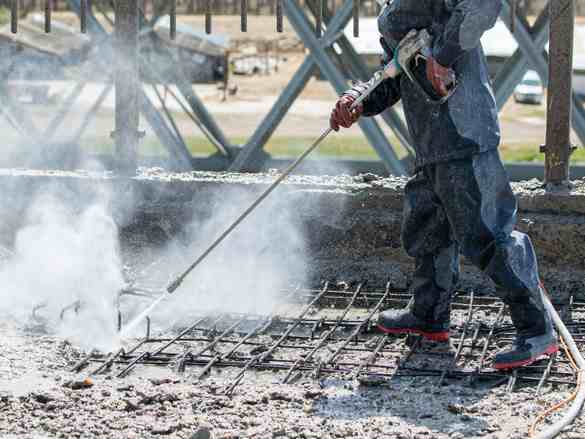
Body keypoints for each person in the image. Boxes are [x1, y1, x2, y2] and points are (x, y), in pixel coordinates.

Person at [329, 0, 558, 370]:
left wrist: (444, 55)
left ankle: (536, 330)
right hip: (430, 143)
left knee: (486, 234)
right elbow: (394, 73)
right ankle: (428, 316)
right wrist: (359, 100)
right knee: (427, 229)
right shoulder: (394, 8)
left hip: (463, 133)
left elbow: (482, 5)